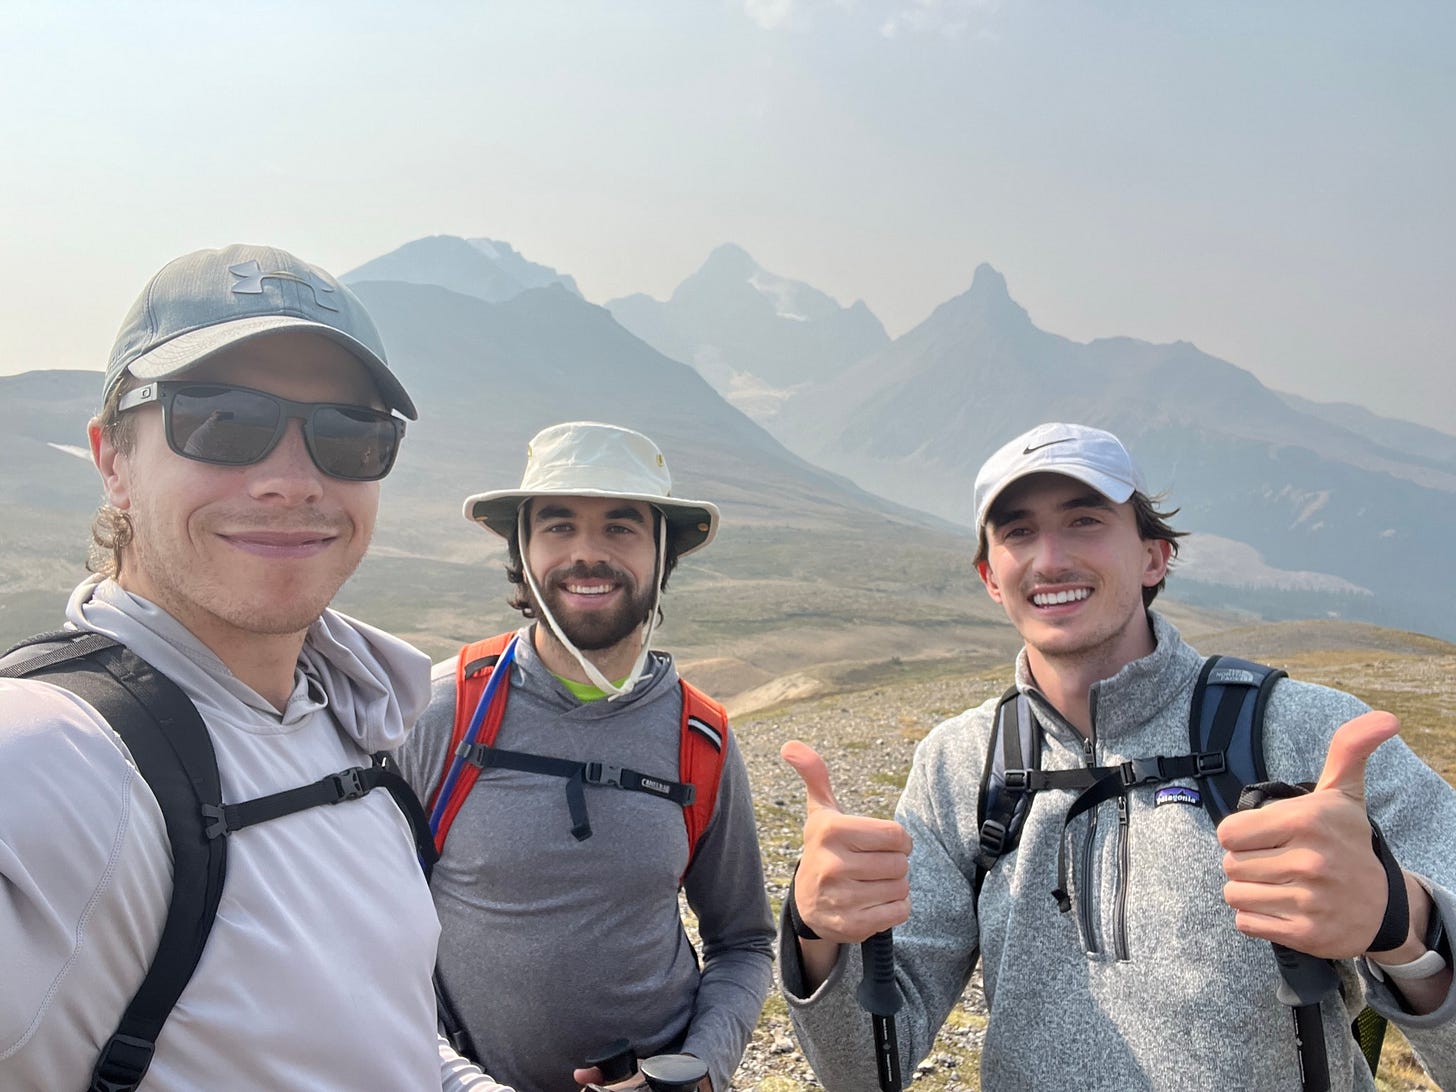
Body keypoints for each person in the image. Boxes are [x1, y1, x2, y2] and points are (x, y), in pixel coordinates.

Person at [778, 422, 1456, 1090]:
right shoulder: (958, 765)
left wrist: (1405, 924)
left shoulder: (1307, 729)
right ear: (991, 576)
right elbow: (868, 1069)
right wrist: (817, 939)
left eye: (1085, 520)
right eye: (1017, 531)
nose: (1049, 559)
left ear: (1154, 557)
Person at [0, 244, 508, 1091]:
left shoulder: (353, 722)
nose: (291, 480)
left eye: (350, 435)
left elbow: (392, 1040)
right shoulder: (53, 759)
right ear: (112, 460)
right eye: (224, 420)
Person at [397, 421, 775, 1092]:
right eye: (559, 527)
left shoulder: (702, 738)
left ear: (663, 555)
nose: (588, 555)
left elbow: (742, 943)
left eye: (622, 528)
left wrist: (698, 1074)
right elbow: (365, 940)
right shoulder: (441, 713)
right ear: (523, 548)